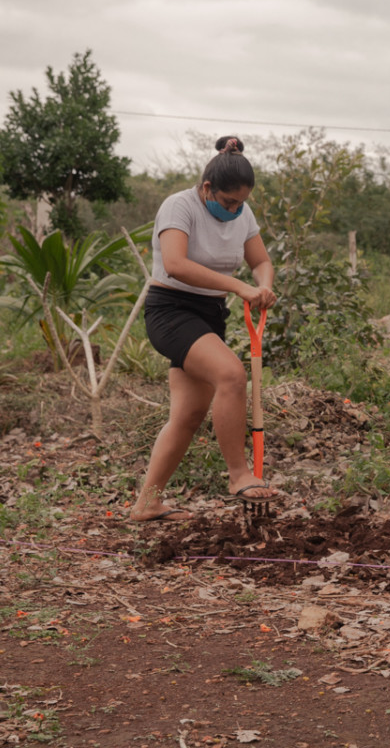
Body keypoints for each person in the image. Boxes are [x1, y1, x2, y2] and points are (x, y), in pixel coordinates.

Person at [131, 136, 280, 522]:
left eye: (240, 202)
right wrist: (238, 286)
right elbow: (176, 264)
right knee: (231, 374)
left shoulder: (243, 214)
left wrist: (263, 284)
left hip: (209, 314)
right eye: (227, 201)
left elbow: (261, 260)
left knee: (188, 414)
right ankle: (238, 475)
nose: (234, 209)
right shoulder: (179, 206)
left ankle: (147, 504)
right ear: (207, 187)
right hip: (171, 310)